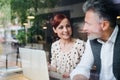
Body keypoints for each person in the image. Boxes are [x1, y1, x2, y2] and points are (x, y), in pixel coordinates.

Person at [70, 0, 120, 80]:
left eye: (88, 24)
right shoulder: (92, 40)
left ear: (104, 25)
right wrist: (79, 77)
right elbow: (83, 66)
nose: (84, 28)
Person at [48, 14, 85, 79]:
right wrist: (48, 67)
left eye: (68, 26)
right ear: (54, 30)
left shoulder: (80, 45)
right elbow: (54, 68)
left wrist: (73, 73)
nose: (65, 30)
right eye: (61, 27)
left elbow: (86, 69)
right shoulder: (54, 46)